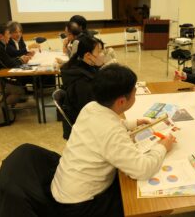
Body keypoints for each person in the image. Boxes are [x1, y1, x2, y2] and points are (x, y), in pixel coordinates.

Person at [51, 64, 176, 217]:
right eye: (134, 92)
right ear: (122, 102)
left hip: (67, 188)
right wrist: (163, 146)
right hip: (82, 206)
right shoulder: (111, 132)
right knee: (148, 203)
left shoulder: (91, 107)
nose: (135, 95)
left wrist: (135, 122)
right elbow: (142, 169)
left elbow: (107, 126)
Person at [60, 36, 105, 140]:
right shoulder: (81, 81)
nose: (102, 54)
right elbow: (91, 110)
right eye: (99, 51)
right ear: (88, 55)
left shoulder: (84, 66)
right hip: (83, 130)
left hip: (87, 121)